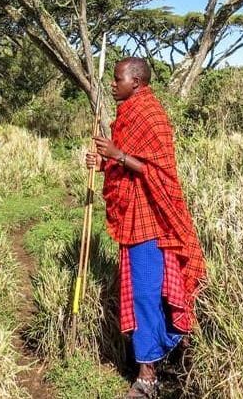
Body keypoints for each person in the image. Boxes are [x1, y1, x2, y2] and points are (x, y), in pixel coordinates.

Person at [85, 57, 206, 399]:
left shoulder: (151, 115)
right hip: (134, 217)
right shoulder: (126, 114)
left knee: (145, 294)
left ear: (136, 82)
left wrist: (117, 155)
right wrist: (105, 161)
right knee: (145, 291)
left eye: (117, 79)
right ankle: (163, 353)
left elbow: (159, 170)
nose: (112, 84)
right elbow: (124, 162)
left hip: (152, 220)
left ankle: (148, 376)